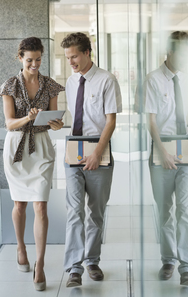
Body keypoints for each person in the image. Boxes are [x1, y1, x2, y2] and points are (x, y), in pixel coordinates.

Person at [0, 37, 65, 291]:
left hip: (41, 148)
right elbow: (8, 123)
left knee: (40, 206)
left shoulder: (50, 85)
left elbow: (53, 120)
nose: (34, 64)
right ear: (20, 58)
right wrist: (28, 116)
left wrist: (55, 123)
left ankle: (40, 263)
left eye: (38, 59)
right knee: (20, 204)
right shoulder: (10, 86)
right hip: (17, 148)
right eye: (29, 60)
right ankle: (20, 246)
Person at [61, 32, 122, 287]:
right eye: (68, 57)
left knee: (95, 212)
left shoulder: (107, 80)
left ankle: (92, 261)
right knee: (74, 211)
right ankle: (74, 267)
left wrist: (97, 152)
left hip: (100, 152)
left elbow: (111, 121)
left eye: (74, 56)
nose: (71, 62)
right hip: (74, 152)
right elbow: (74, 116)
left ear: (87, 52)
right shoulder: (71, 81)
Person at [144, 31, 188, 286]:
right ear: (170, 52)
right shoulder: (153, 79)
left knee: (185, 210)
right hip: (161, 151)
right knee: (165, 210)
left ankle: (187, 266)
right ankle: (168, 260)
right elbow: (151, 120)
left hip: (186, 151)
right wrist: (162, 152)